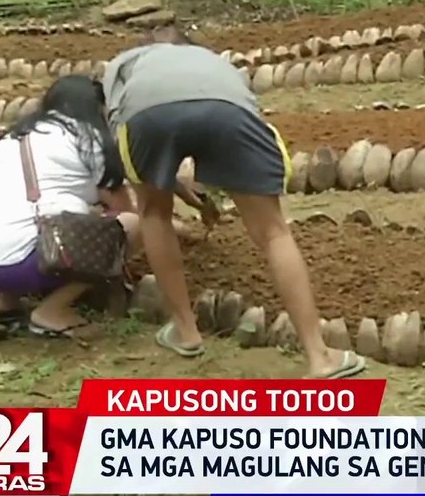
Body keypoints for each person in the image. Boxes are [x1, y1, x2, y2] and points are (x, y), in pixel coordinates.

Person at [101, 26, 366, 378]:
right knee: (273, 232)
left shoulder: (124, 63)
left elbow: (120, 124)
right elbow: (240, 109)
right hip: (230, 110)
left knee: (154, 215)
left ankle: (186, 331)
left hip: (146, 114)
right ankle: (320, 357)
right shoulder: (215, 62)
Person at [0, 75, 140, 337]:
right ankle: (52, 312)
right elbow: (124, 211)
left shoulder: (14, 137)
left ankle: (5, 302)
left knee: (19, 215)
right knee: (133, 226)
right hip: (12, 264)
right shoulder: (91, 141)